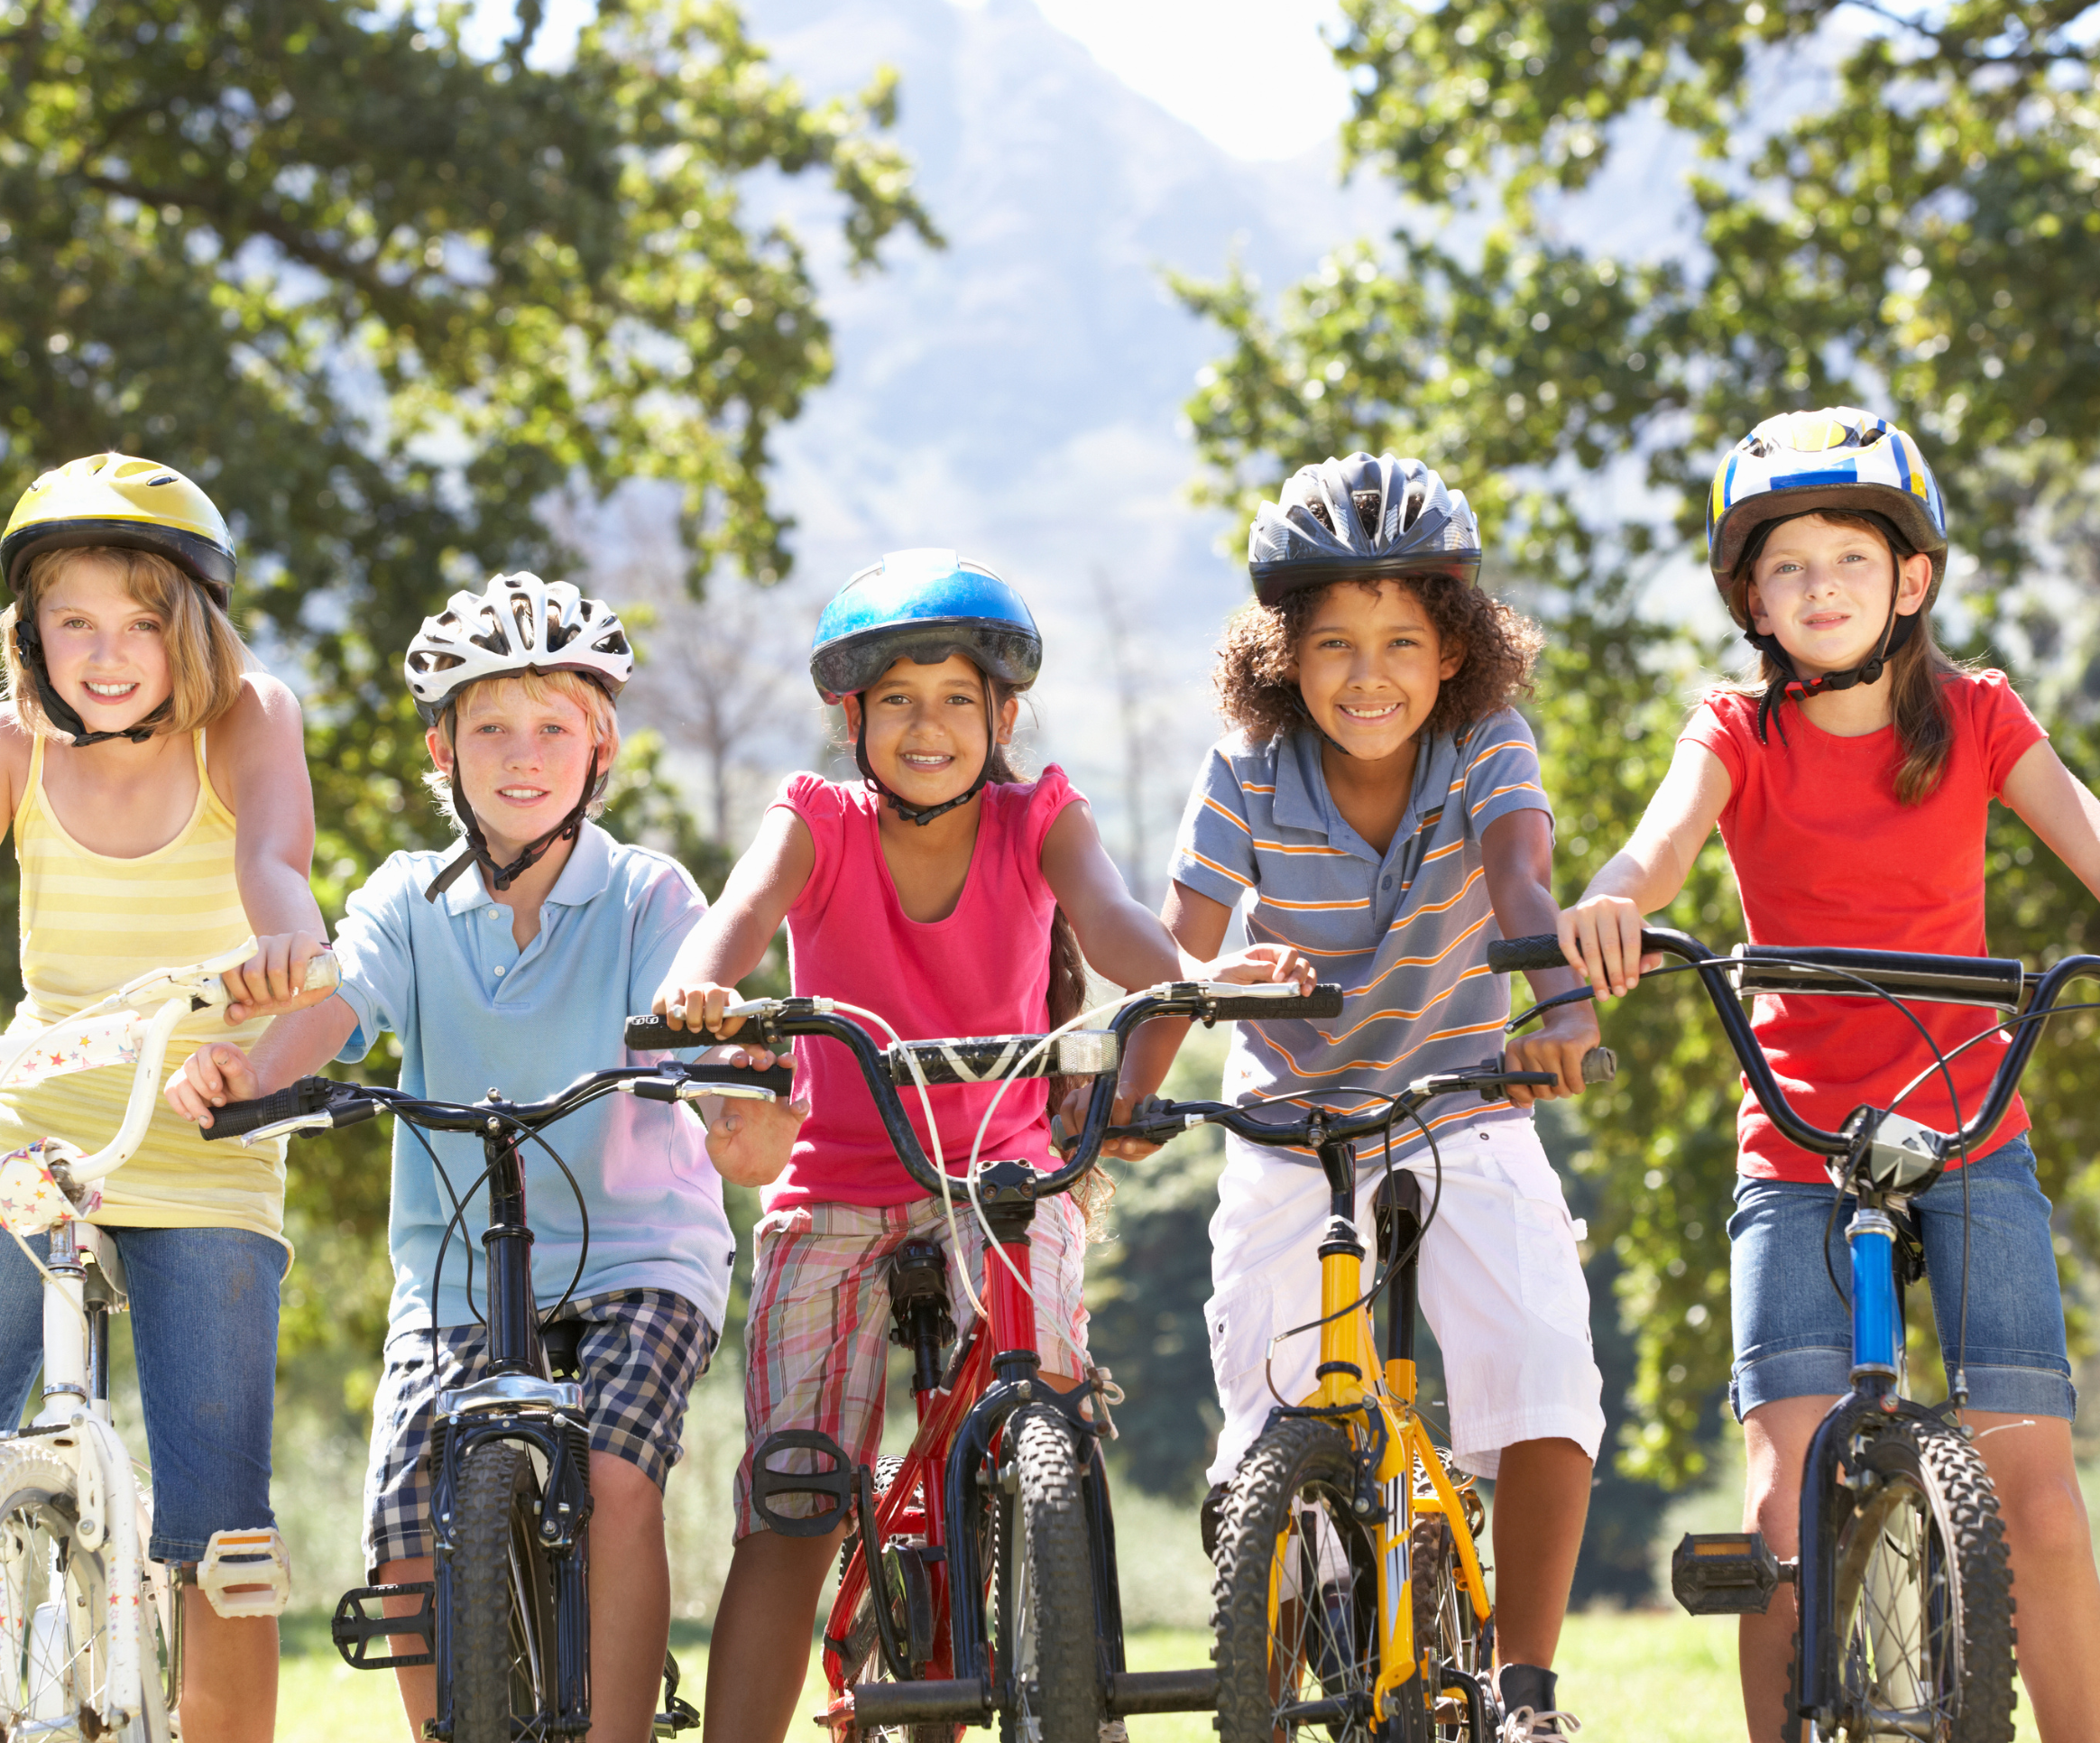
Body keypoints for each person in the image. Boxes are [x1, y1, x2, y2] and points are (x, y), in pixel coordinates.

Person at [649, 549, 1306, 1743]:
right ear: (852, 716)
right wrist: (700, 990)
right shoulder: (817, 822)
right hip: (836, 1192)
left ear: (1002, 713)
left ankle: (1050, 1635)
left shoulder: (1037, 817)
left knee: (1034, 1414)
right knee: (797, 1496)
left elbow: (1112, 923)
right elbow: (737, 917)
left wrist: (1197, 982)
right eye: (896, 699)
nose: (929, 725)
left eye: (958, 698)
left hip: (1000, 1190)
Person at [1556, 406, 2100, 1740]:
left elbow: (2083, 827)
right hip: (1799, 1136)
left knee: (2035, 1495)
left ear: (1910, 580)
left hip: (1971, 1122)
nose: (1821, 588)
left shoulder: (1975, 715)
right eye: (1787, 566)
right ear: (1751, 597)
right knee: (1781, 1507)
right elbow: (1658, 843)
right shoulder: (1737, 727)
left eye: (1850, 560)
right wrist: (1614, 900)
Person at [168, 571, 732, 1743]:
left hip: (642, 1254)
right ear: (443, 746)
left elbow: (692, 1009)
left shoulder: (644, 894)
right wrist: (252, 1075)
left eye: (552, 727)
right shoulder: (405, 899)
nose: (522, 755)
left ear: (600, 745)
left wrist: (715, 1060)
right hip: (457, 1274)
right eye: (490, 728)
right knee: (407, 1535)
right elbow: (335, 1005)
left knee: (619, 1479)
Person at [0, 453, 331, 1743]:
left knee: (217, 1529)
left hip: (200, 1127)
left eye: (140, 623)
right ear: (32, 632)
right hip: (35, 1125)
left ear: (195, 629)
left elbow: (276, 859)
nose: (107, 654)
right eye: (75, 622)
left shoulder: (251, 717)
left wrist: (290, 957)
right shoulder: (8, 743)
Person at [1164, 455, 1605, 1741]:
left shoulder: (1484, 745)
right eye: (1335, 644)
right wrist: (1160, 1051)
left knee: (1540, 1365)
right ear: (1279, 658)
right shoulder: (1248, 763)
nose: (1371, 675)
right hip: (1290, 1119)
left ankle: (1527, 1694)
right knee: (1266, 1440)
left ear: (1458, 650)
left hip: (1462, 1097)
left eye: (1404, 640)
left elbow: (1524, 885)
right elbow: (1176, 941)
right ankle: (1274, 1697)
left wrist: (1562, 1017)